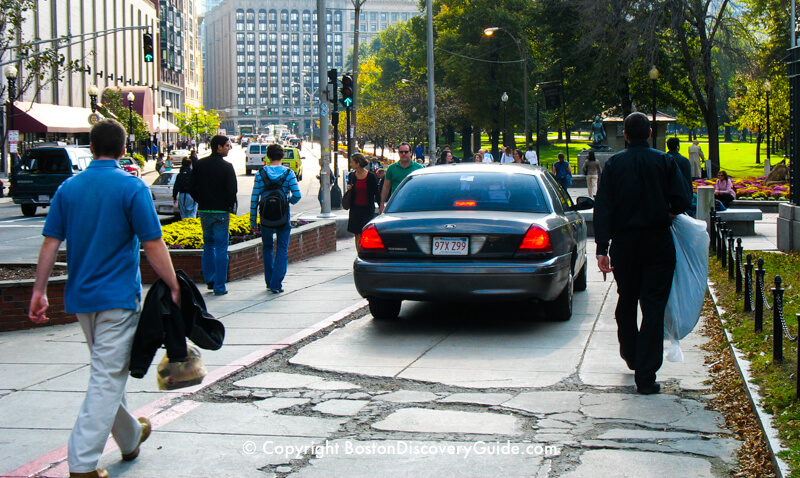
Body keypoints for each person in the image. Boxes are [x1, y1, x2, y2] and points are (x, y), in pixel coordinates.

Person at [28, 118, 181, 478]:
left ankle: (130, 437)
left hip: (81, 300)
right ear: (124, 149)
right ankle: (81, 465)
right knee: (106, 378)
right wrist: (173, 284)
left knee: (106, 374)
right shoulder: (131, 187)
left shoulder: (68, 188)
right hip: (118, 299)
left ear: (92, 148)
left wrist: (39, 290)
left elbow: (50, 243)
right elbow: (153, 242)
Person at [594, 112, 691, 396]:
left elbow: (604, 208)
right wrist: (665, 213)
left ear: (624, 134)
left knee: (627, 298)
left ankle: (632, 353)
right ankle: (646, 375)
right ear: (650, 133)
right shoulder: (665, 161)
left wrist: (602, 248)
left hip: (624, 244)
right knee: (653, 307)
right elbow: (683, 199)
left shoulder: (613, 164)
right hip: (657, 241)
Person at [189, 135, 237, 296]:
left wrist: (200, 199)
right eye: (227, 145)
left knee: (208, 246)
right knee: (221, 248)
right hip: (221, 211)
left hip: (204, 210)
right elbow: (232, 191)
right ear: (218, 147)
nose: (229, 148)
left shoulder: (200, 165)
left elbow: (190, 186)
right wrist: (229, 206)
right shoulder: (227, 167)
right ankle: (219, 286)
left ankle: (210, 279)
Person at [250, 143, 301, 293]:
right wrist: (287, 203)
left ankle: (269, 280)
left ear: (268, 156)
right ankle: (276, 284)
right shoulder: (288, 173)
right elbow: (297, 195)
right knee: (282, 249)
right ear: (282, 156)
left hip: (265, 218)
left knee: (267, 248)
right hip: (283, 217)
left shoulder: (260, 174)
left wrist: (253, 221)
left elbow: (254, 199)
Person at [346, 153, 380, 249]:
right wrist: (349, 188)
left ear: (358, 163)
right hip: (355, 209)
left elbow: (376, 193)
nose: (351, 164)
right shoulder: (352, 175)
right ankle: (359, 253)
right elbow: (350, 191)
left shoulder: (371, 177)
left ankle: (366, 251)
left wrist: (381, 206)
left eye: (352, 162)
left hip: (367, 209)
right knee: (357, 234)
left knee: (366, 233)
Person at [380, 142, 424, 213]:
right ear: (398, 153)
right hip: (396, 204)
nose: (403, 154)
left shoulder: (419, 168)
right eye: (401, 152)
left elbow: (423, 188)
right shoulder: (391, 168)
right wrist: (382, 204)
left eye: (406, 152)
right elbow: (386, 187)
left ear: (411, 153)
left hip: (414, 205)